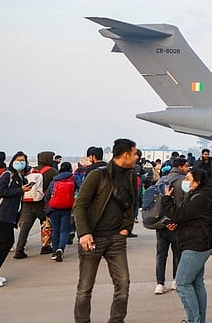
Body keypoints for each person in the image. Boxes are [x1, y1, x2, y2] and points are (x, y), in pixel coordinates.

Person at [73, 138, 139, 323]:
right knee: (85, 288)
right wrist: (84, 233)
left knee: (123, 284)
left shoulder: (131, 176)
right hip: (92, 239)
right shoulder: (97, 175)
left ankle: (117, 320)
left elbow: (131, 204)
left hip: (116, 240)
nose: (136, 157)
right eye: (134, 154)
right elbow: (80, 205)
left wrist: (126, 228)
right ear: (125, 154)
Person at [162, 168, 212, 323]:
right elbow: (186, 216)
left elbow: (179, 214)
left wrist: (167, 199)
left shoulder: (201, 198)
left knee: (182, 284)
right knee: (196, 284)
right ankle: (199, 320)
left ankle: (194, 320)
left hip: (196, 245)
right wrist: (174, 223)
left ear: (197, 182)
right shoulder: (197, 196)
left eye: (188, 179)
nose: (185, 182)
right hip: (198, 243)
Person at [0, 151, 32, 287]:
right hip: (2, 215)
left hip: (10, 216)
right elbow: (0, 191)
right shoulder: (7, 175)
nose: (20, 162)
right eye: (18, 160)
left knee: (2, 243)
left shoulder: (19, 177)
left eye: (23, 160)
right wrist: (20, 190)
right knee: (6, 242)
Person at [15, 150, 58, 258]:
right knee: (46, 224)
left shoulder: (31, 171)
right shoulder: (52, 171)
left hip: (28, 202)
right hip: (43, 203)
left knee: (25, 227)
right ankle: (45, 246)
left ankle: (19, 250)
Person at [155, 157, 188, 295]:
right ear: (180, 167)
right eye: (186, 166)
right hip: (176, 223)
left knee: (161, 254)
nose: (188, 168)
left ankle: (160, 283)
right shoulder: (184, 182)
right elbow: (184, 204)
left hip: (160, 224)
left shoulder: (161, 181)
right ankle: (176, 280)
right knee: (177, 253)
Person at [44, 162, 77, 262]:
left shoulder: (55, 179)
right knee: (65, 230)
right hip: (67, 208)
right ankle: (60, 248)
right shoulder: (73, 178)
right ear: (70, 169)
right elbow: (81, 189)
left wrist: (47, 208)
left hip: (54, 208)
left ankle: (55, 251)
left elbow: (48, 194)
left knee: (55, 229)